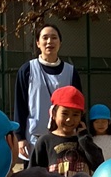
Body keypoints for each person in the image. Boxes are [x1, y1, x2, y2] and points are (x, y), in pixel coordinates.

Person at [13, 23, 81, 161]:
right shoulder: (27, 70)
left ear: (60, 42)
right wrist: (20, 137)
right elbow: (20, 106)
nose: (49, 41)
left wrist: (81, 134)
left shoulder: (71, 72)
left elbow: (78, 107)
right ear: (38, 43)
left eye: (54, 37)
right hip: (34, 140)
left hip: (65, 140)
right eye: (45, 38)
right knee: (34, 175)